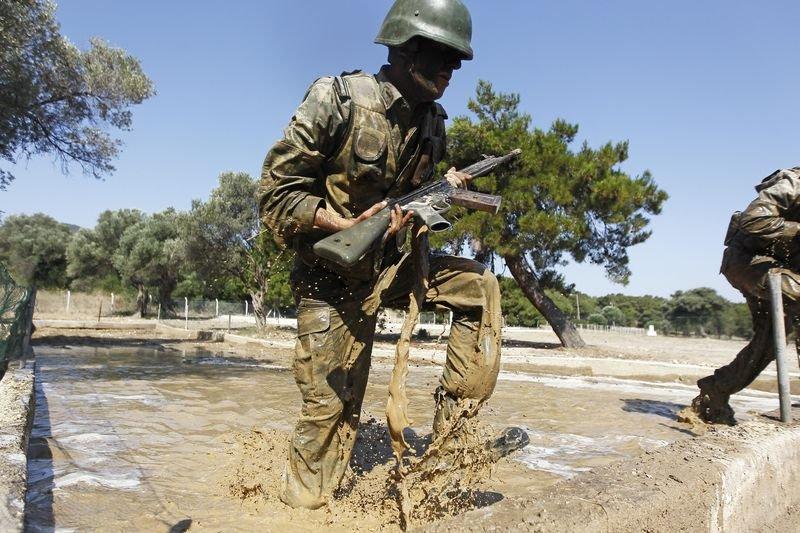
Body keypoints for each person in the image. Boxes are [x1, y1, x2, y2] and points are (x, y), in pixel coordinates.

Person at [258, 0, 521, 510]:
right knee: (330, 415)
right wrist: (343, 223)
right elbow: (275, 193)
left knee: (478, 288)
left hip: (392, 269)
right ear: (405, 47)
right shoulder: (337, 100)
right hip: (330, 282)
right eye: (441, 55)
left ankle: (452, 437)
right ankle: (298, 511)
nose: (452, 70)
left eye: (458, 60)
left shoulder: (432, 125)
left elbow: (413, 204)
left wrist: (438, 195)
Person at [681, 166, 800, 425]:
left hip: (783, 270)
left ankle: (717, 388)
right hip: (749, 262)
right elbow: (754, 220)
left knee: (769, 342)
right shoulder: (793, 183)